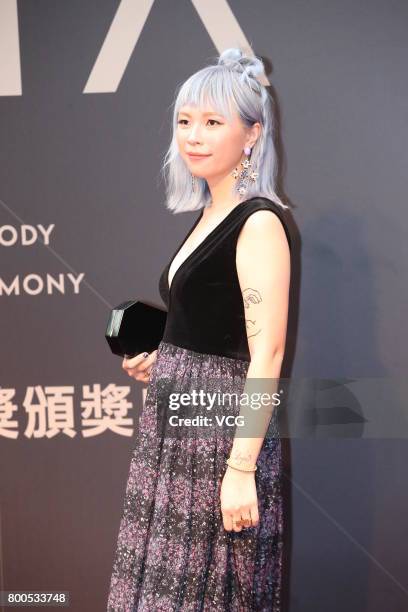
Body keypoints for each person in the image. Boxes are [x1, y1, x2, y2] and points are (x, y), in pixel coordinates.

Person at [107, 47, 292, 611]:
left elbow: (267, 355)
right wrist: (162, 365)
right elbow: (211, 330)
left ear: (252, 134)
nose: (193, 135)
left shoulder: (258, 222)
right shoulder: (207, 214)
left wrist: (240, 471)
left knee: (207, 590)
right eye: (185, 121)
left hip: (222, 438)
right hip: (178, 429)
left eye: (213, 122)